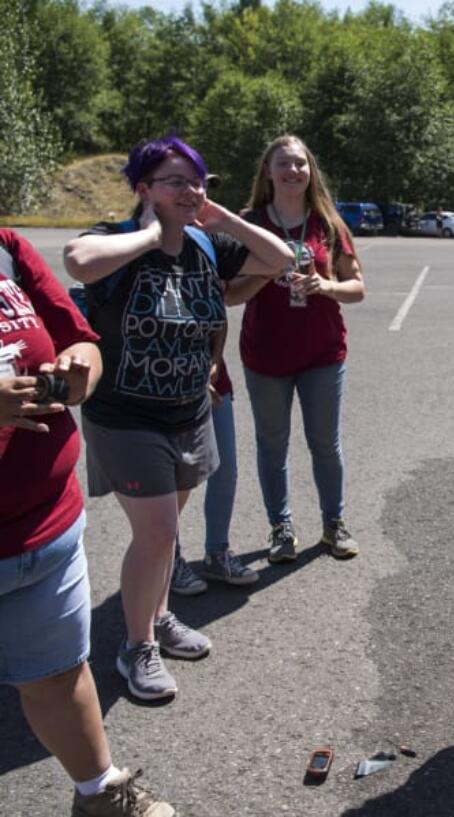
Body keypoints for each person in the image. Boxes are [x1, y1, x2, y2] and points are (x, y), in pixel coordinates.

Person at [64, 135, 291, 701]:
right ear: (143, 189)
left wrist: (218, 220)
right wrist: (150, 233)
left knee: (165, 536)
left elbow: (282, 259)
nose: (190, 191)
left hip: (190, 412)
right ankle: (134, 647)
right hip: (126, 417)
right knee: (158, 531)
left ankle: (158, 618)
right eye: (175, 182)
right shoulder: (116, 240)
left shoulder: (206, 246)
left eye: (197, 181)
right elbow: (78, 262)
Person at [1, 229, 174, 815]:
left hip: (43, 529)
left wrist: (82, 367)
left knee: (57, 676)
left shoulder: (6, 248)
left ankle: (99, 794)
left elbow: (80, 336)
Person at [228, 135, 365, 564]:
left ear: (311, 172)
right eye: (283, 164)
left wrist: (324, 286)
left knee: (325, 443)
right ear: (267, 172)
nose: (292, 171)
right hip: (266, 355)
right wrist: (266, 274)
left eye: (300, 164)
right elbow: (229, 294)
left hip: (322, 353)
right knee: (272, 445)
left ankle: (333, 524)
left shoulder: (328, 222)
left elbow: (357, 287)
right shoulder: (248, 223)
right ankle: (281, 528)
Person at [169, 355, 257, 595]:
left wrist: (215, 359)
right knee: (174, 478)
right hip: (164, 385)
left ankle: (217, 553)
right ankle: (168, 559)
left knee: (225, 468)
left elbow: (218, 321)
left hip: (214, 381)